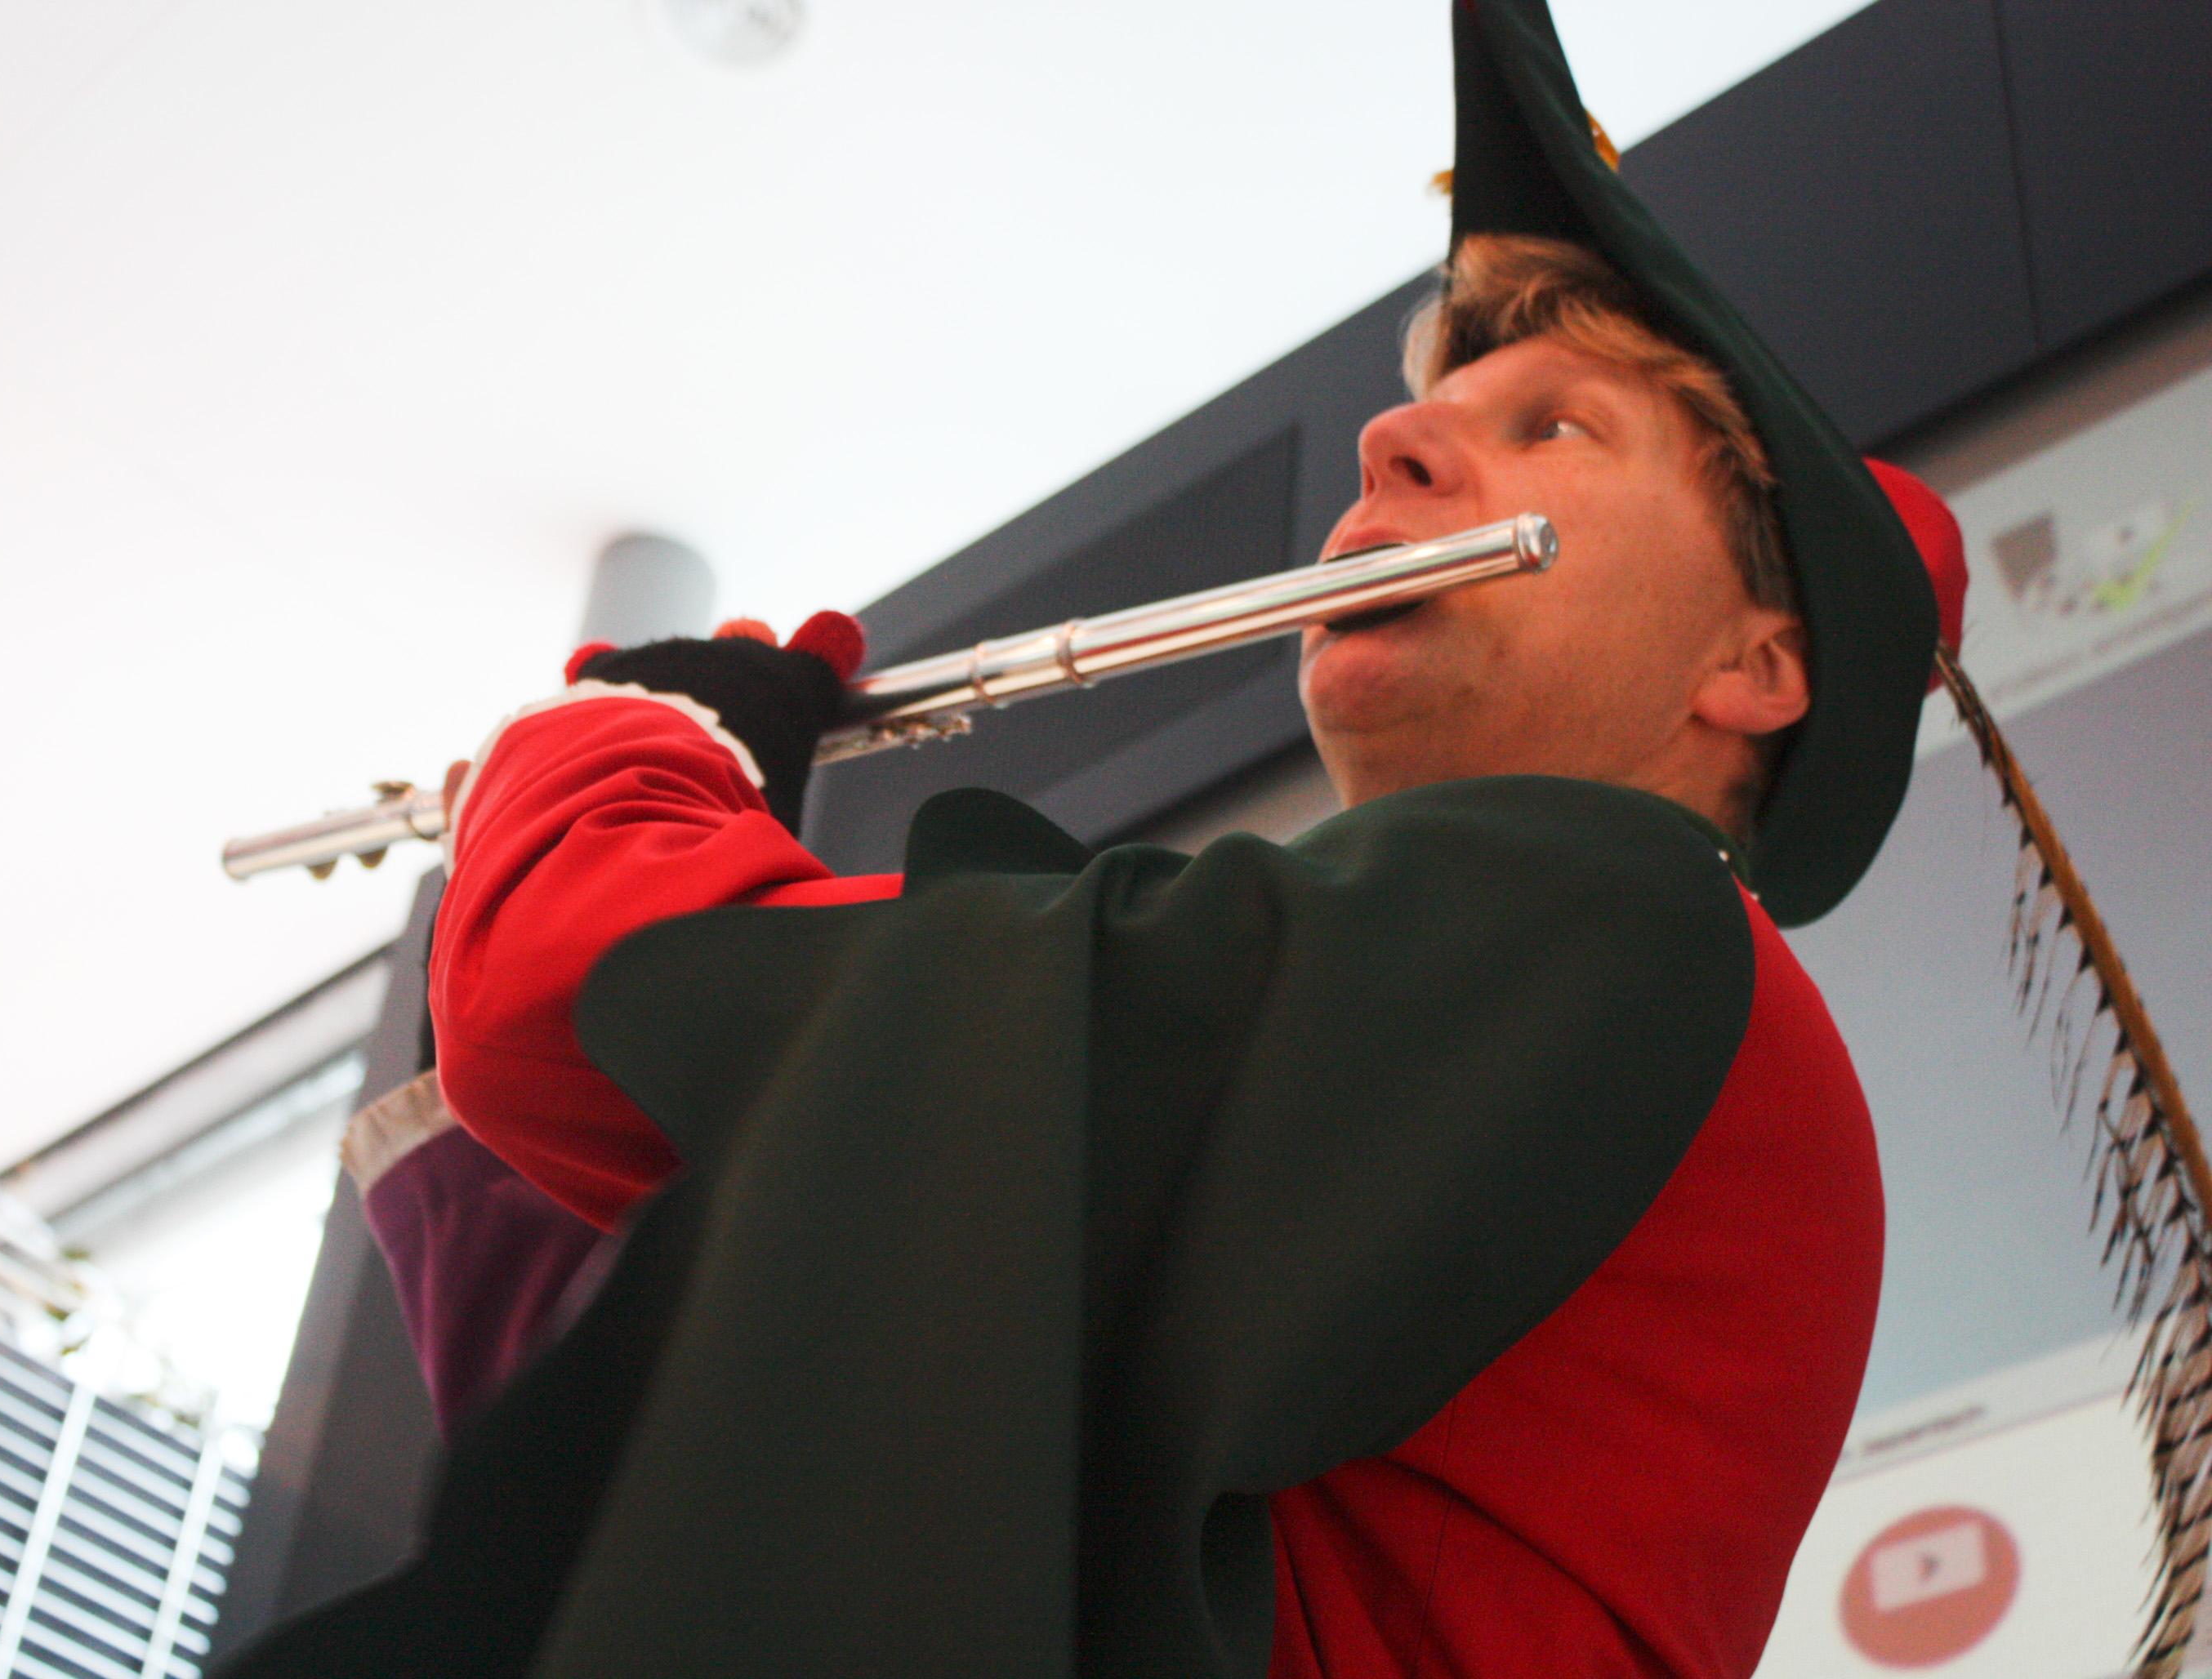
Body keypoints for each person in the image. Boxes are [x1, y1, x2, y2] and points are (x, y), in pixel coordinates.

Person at [224, 2, 1962, 1675]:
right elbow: (864, 1439)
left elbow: (578, 995)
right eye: (1435, 410)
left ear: (1759, 665)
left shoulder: (1632, 914)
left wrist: (632, 741)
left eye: (1551, 427)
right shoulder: (1549, 1019)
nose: (1393, 439)